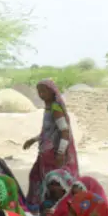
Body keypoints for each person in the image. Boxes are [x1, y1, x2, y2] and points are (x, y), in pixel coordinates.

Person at [24, 79, 79, 209]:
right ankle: (39, 207)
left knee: (51, 183)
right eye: (39, 91)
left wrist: (60, 153)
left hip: (52, 155)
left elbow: (64, 131)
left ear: (52, 92)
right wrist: (34, 140)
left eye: (43, 91)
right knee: (37, 177)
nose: (41, 94)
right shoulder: (48, 108)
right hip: (45, 153)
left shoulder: (55, 108)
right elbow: (48, 132)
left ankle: (50, 209)